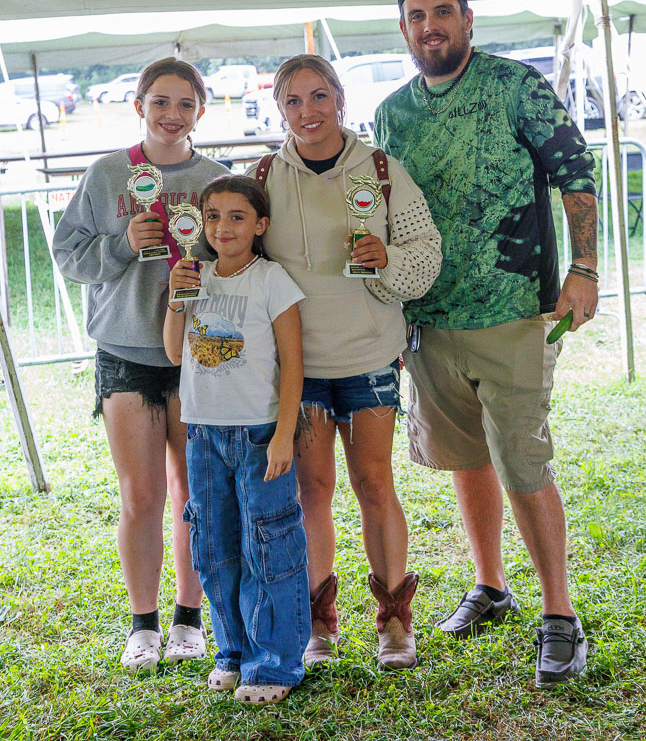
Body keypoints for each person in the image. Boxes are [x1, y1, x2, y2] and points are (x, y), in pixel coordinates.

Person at [374, 0, 599, 688]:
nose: (430, 26)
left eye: (443, 12)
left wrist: (583, 269)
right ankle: (491, 586)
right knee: (465, 457)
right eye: (416, 16)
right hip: (427, 320)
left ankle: (559, 616)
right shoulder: (391, 114)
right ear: (403, 29)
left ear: (467, 19)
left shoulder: (515, 86)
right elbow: (381, 212)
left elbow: (575, 172)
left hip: (512, 311)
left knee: (522, 462)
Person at [247, 54, 442, 670]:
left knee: (374, 485)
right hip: (298, 367)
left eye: (319, 96)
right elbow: (238, 257)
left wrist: (387, 257)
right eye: (293, 101)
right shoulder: (262, 176)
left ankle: (395, 620)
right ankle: (318, 622)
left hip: (368, 358)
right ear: (280, 110)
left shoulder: (381, 170)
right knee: (313, 491)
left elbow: (425, 251)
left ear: (339, 99)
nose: (308, 111)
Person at [52, 58, 225, 671]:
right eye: (160, 102)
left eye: (185, 104)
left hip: (199, 354)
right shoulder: (107, 175)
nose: (172, 115)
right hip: (126, 352)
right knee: (141, 494)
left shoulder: (215, 179)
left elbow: (243, 258)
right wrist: (122, 244)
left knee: (194, 493)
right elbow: (67, 253)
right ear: (139, 106)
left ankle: (189, 619)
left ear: (200, 111)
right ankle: (144, 625)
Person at [163, 175, 310, 705]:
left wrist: (284, 435)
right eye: (213, 216)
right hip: (203, 433)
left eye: (237, 216)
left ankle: (275, 662)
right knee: (215, 546)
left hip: (259, 432)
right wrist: (176, 299)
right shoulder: (194, 276)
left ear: (260, 225)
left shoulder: (272, 280)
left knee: (266, 544)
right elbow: (175, 353)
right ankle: (232, 652)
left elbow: (293, 364)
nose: (222, 227)